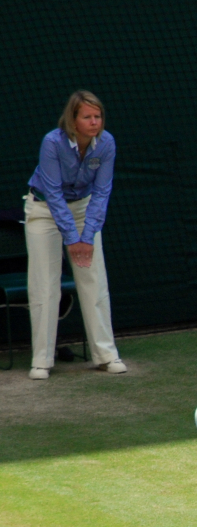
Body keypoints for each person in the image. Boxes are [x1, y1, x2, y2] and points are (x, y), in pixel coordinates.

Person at [24, 90, 127, 380]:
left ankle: (106, 355)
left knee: (94, 280)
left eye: (98, 116)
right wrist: (73, 239)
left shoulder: (106, 143)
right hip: (44, 210)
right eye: (87, 117)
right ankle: (41, 361)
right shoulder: (52, 142)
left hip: (83, 210)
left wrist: (87, 234)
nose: (94, 122)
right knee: (45, 285)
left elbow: (102, 191)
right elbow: (54, 193)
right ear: (73, 119)